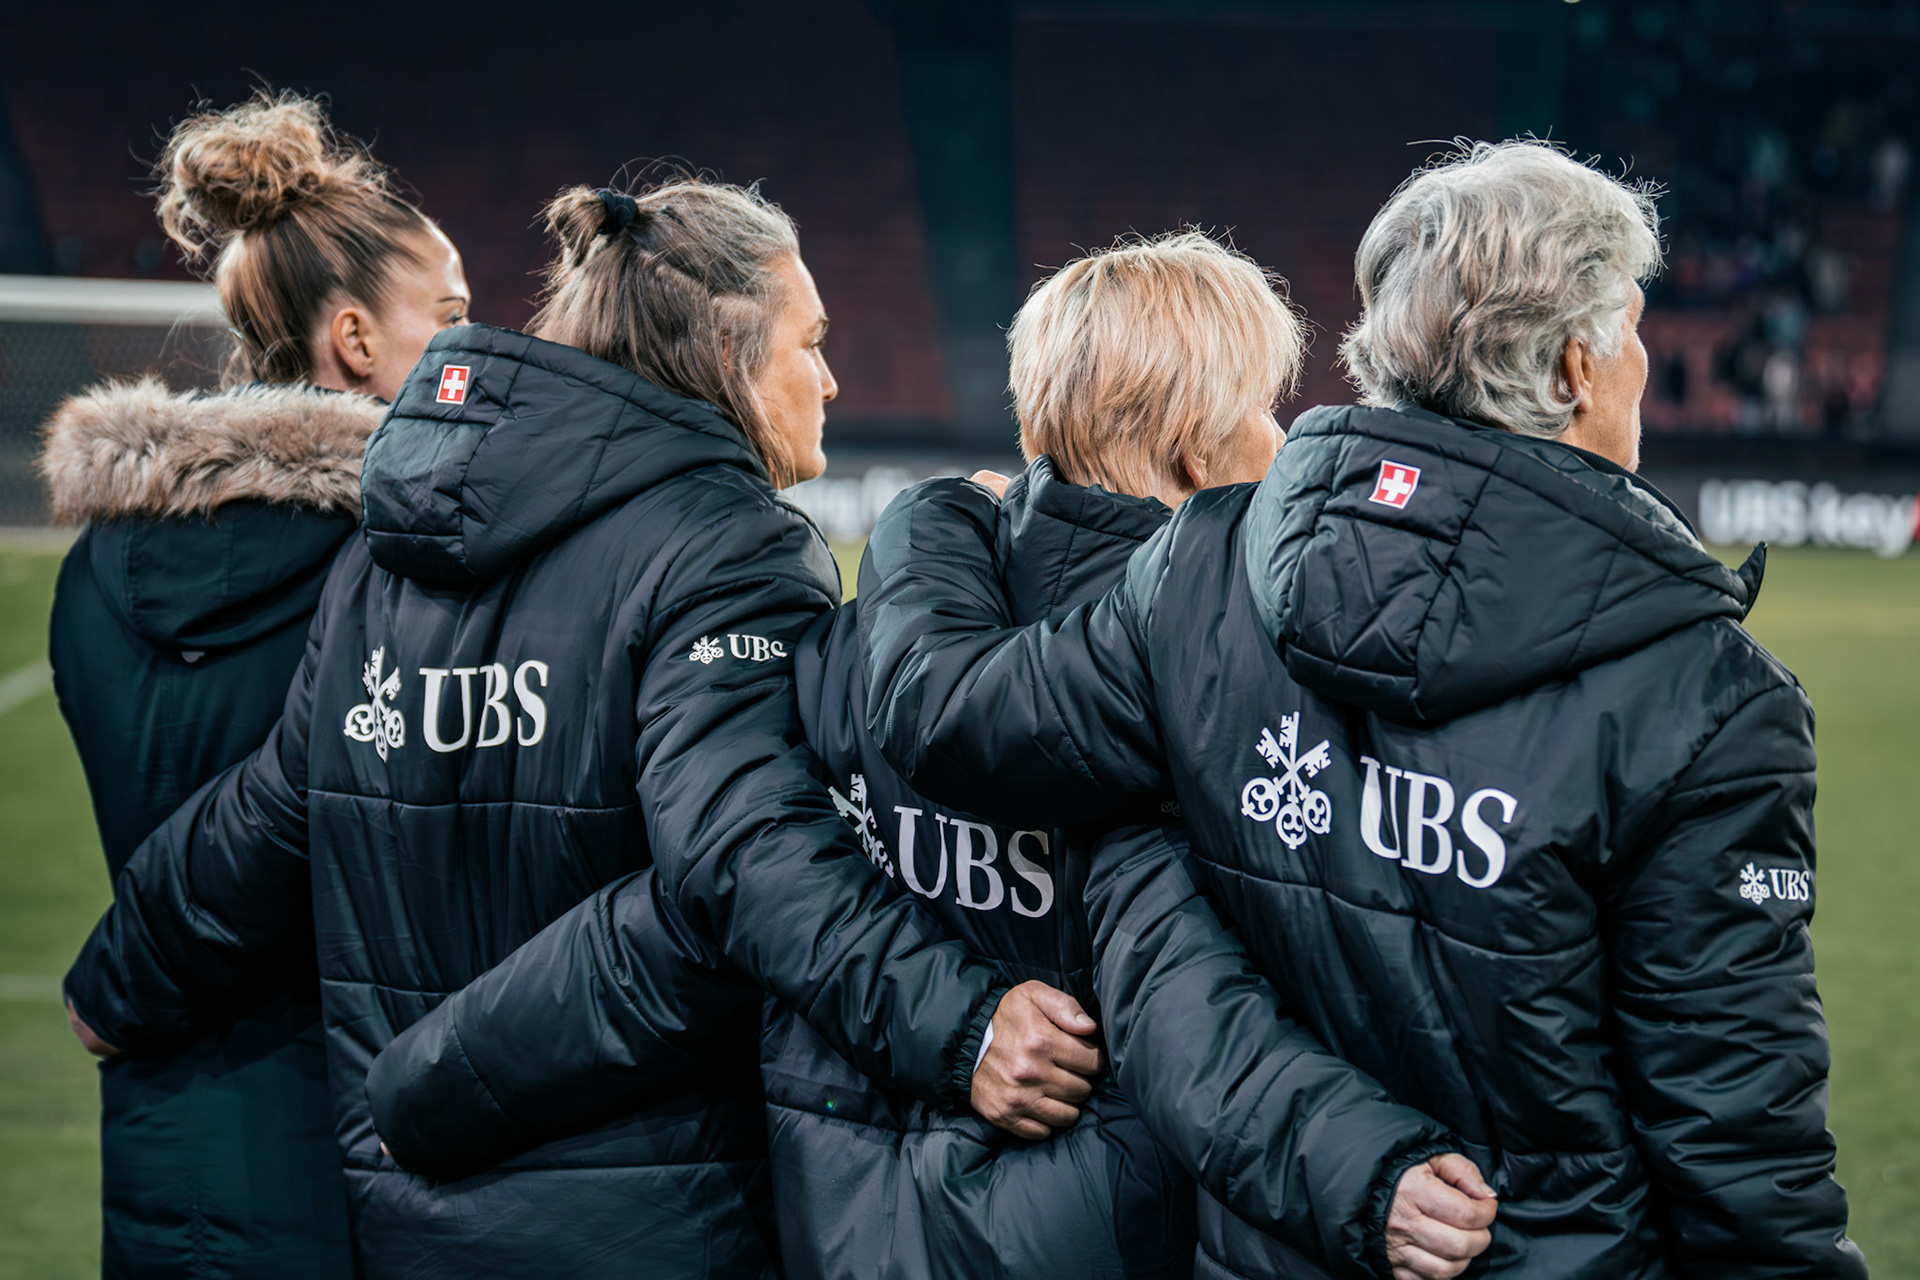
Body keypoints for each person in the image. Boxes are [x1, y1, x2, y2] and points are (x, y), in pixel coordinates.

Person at [364, 230, 1497, 1280]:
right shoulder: (1183, 696)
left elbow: (706, 914)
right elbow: (1186, 1014)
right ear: (1197, 449)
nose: (1284, 438)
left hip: (838, 1227)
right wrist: (1371, 1171)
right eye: (1266, 405)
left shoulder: (855, 643)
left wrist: (430, 1082)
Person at [856, 140, 1868, 1277]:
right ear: (1581, 366)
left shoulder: (1202, 570)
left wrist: (927, 520)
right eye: (1631, 327)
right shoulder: (1707, 697)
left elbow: (951, 715)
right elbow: (1737, 1136)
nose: (1640, 360)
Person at [63, 176, 1097, 1278]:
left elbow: (276, 811)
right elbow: (744, 850)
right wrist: (962, 1023)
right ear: (728, 350)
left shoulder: (378, 556)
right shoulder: (725, 542)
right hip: (647, 1217)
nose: (833, 378)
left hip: (410, 1220)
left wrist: (118, 980)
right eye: (813, 340)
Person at [39, 91, 468, 1280]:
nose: (479, 351)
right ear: (355, 341)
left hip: (161, 1148)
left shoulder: (90, 573)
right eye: (454, 316)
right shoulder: (395, 564)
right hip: (355, 1150)